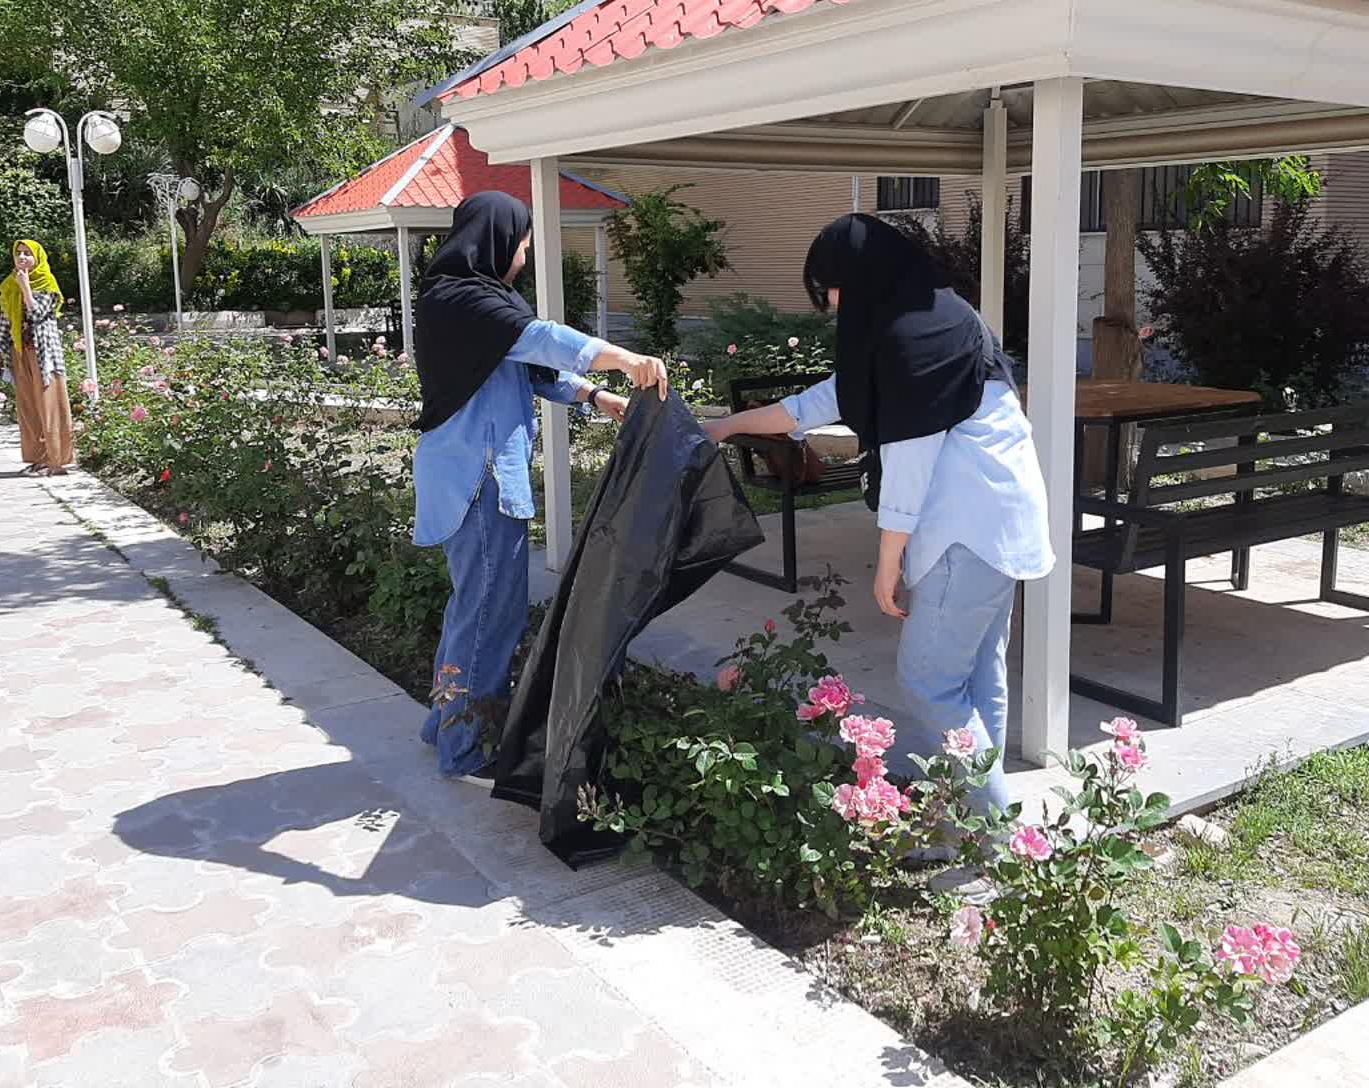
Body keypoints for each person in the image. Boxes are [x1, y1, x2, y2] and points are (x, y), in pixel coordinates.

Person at [702, 214, 1054, 819]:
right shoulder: (941, 318)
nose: (834, 306)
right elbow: (819, 403)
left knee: (929, 683)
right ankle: (977, 823)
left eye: (831, 290)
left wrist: (888, 561)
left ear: (857, 278)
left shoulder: (910, 341)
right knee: (976, 678)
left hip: (963, 534)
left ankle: (999, 839)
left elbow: (910, 460)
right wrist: (726, 426)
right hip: (1005, 523)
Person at [411, 191, 669, 780]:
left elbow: (531, 367)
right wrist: (624, 359)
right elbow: (544, 339)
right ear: (498, 240)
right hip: (476, 481)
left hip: (473, 476)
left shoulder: (478, 301)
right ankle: (465, 750)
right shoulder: (461, 299)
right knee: (489, 615)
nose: (524, 258)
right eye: (523, 246)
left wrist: (596, 396)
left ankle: (444, 724)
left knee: (472, 607)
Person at [0, 238, 75, 476]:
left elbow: (37, 314)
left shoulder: (47, 282)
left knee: (50, 404)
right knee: (28, 406)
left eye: (27, 253)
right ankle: (38, 458)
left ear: (38, 258)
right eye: (19, 253)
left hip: (45, 355)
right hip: (20, 353)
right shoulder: (11, 284)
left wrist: (26, 288)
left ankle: (57, 461)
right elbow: (6, 322)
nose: (22, 257)